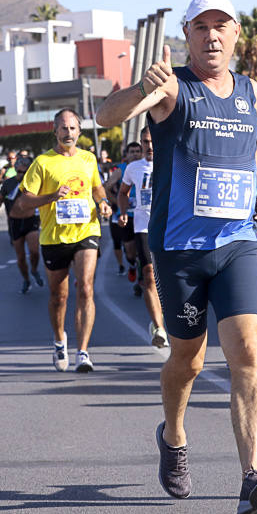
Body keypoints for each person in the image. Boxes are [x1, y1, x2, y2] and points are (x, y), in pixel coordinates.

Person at [96, 0, 257, 514]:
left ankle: (252, 477)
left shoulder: (250, 90)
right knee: (189, 360)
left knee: (248, 353)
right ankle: (174, 436)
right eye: (201, 27)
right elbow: (106, 114)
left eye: (220, 26)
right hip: (179, 250)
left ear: (235, 35)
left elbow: (250, 151)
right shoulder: (171, 88)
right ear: (188, 35)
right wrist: (143, 85)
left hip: (237, 243)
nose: (211, 36)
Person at [12, 109, 113, 373]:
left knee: (87, 288)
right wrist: (51, 197)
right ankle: (59, 340)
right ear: (55, 131)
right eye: (63, 128)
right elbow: (23, 201)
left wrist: (102, 202)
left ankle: (83, 352)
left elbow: (96, 187)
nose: (68, 133)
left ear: (79, 131)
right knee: (59, 296)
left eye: (73, 128)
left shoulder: (89, 159)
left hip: (86, 231)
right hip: (54, 236)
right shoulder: (42, 163)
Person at [116, 127, 168, 348]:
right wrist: (122, 212)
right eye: (146, 142)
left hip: (171, 228)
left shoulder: (172, 160)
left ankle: (170, 322)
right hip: (143, 226)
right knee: (149, 276)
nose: (150, 146)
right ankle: (159, 328)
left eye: (153, 141)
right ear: (141, 143)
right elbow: (122, 192)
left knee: (169, 280)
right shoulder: (133, 168)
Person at [0, 153, 44, 294]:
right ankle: (26, 279)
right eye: (19, 171)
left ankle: (34, 270)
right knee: (20, 257)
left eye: (25, 172)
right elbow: (0, 198)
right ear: (15, 170)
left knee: (34, 251)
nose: (22, 174)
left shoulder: (34, 182)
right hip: (15, 222)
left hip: (31, 220)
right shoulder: (8, 183)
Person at [107, 142, 143, 279]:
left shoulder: (147, 167)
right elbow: (106, 188)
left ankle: (143, 277)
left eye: (137, 151)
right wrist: (119, 203)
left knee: (144, 249)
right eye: (132, 152)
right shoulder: (121, 170)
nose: (135, 154)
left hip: (143, 215)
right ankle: (132, 265)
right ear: (126, 155)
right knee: (130, 252)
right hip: (126, 216)